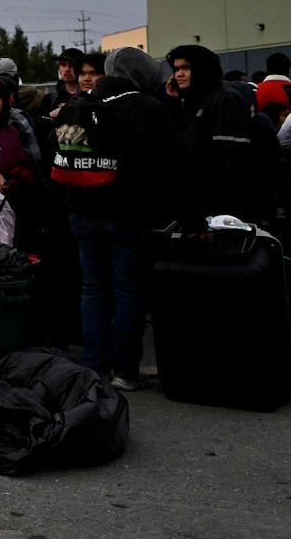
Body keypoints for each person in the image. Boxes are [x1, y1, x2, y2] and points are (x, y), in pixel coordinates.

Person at [61, 47, 177, 391]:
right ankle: (126, 370)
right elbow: (169, 164)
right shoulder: (147, 108)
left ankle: (95, 367)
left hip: (82, 209)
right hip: (128, 213)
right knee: (127, 291)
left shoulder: (81, 103)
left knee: (92, 289)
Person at [164, 44, 269, 226]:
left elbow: (229, 160)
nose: (178, 74)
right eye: (176, 69)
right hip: (200, 204)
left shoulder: (226, 99)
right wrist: (173, 103)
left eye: (185, 68)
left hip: (222, 207)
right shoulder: (193, 101)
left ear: (202, 69)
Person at [47, 48, 85, 116]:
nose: (67, 69)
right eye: (63, 64)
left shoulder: (89, 97)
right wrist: (51, 115)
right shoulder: (49, 99)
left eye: (72, 65)